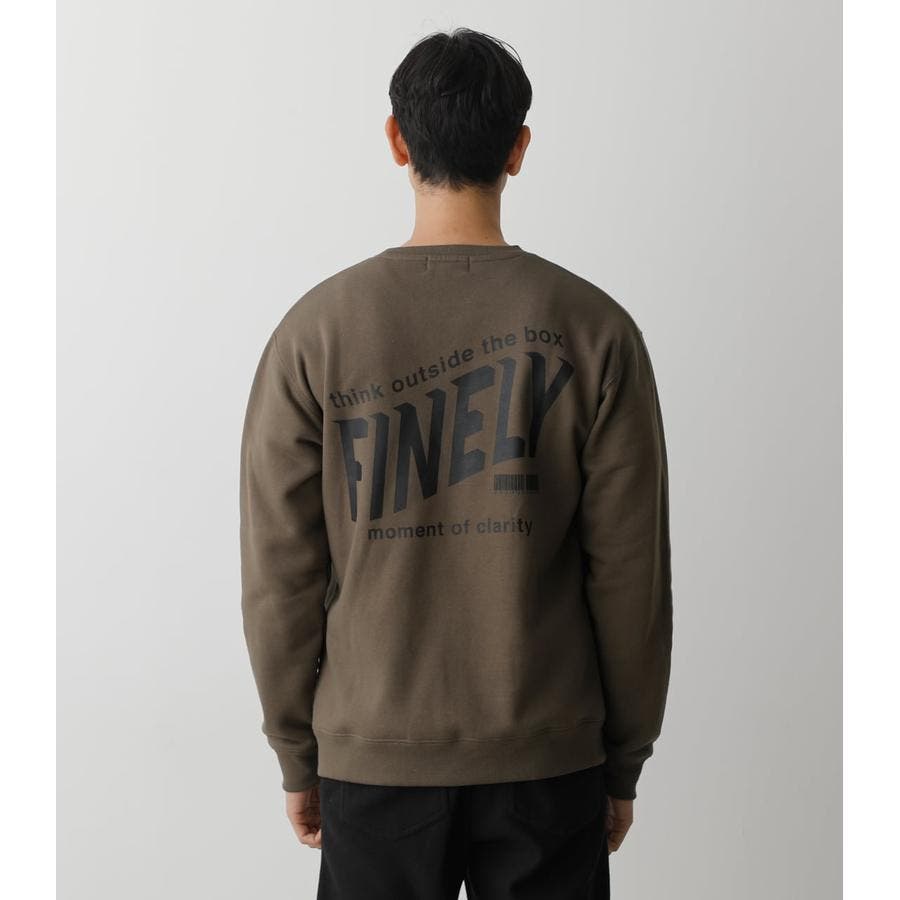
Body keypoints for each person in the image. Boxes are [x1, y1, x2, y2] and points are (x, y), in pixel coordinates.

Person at [239, 26, 673, 900]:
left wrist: (298, 752)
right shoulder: (596, 331)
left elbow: (280, 573)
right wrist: (621, 759)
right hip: (548, 758)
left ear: (397, 140)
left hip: (374, 756)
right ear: (519, 148)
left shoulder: (314, 334)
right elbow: (632, 575)